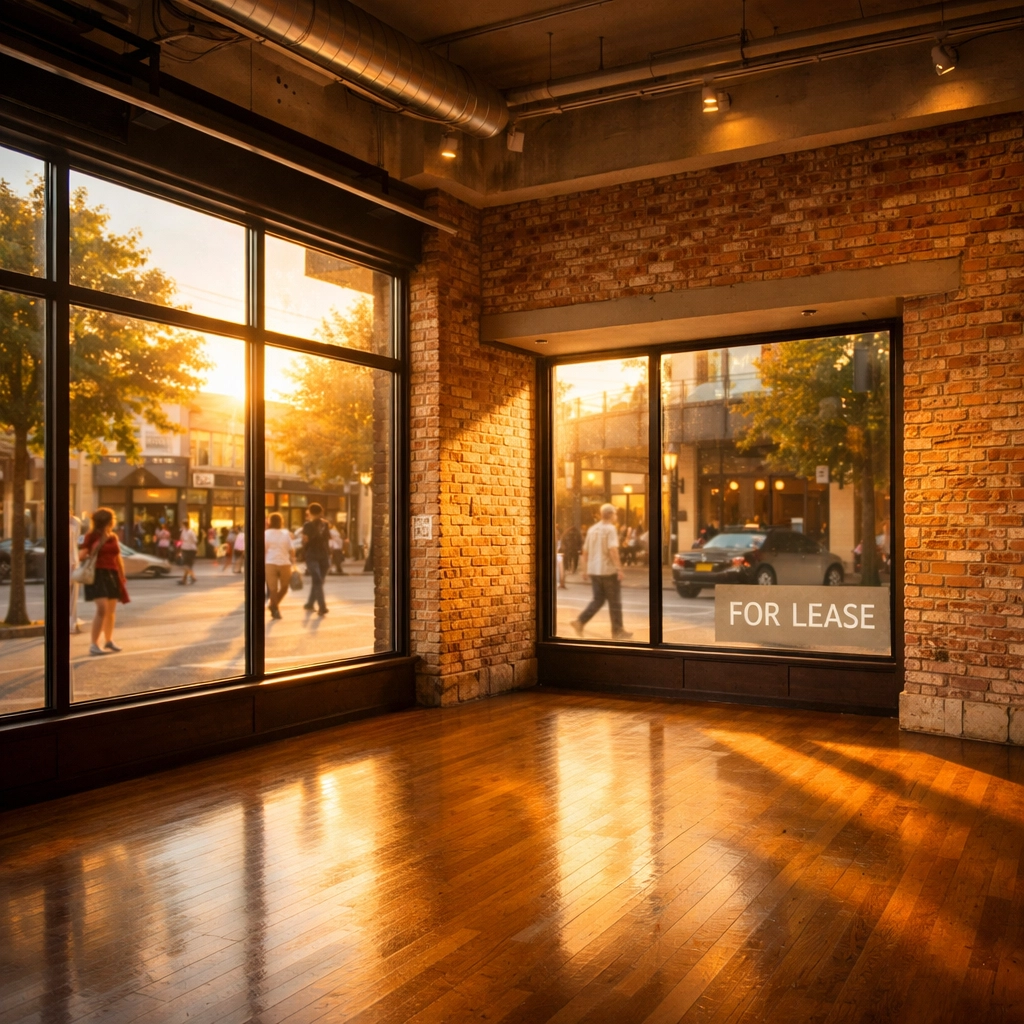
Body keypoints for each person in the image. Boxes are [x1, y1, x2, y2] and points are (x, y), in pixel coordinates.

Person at [569, 503, 631, 640]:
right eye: (615, 513)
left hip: (594, 570)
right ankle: (617, 631)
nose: (616, 516)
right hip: (608, 570)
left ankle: (580, 621)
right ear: (610, 515)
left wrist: (584, 570)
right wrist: (619, 568)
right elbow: (613, 550)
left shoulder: (592, 529)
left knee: (598, 600)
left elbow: (585, 551)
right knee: (615, 602)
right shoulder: (610, 529)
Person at [78, 507, 129, 656]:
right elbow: (81, 556)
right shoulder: (91, 536)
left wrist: (121, 575)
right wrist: (93, 549)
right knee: (102, 609)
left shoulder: (113, 537)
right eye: (112, 520)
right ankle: (94, 644)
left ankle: (108, 640)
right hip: (97, 574)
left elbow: (117, 558)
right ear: (108, 521)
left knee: (111, 611)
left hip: (111, 574)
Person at [301, 502, 331, 615]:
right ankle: (318, 605)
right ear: (321, 511)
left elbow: (305, 540)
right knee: (319, 581)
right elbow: (327, 540)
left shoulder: (307, 525)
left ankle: (315, 605)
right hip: (324, 555)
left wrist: (303, 552)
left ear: (309, 512)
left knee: (317, 581)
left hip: (312, 555)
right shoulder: (325, 524)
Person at [264, 512, 295, 619]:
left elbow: (264, 549)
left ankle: (273, 605)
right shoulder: (286, 533)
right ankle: (275, 609)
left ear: (270, 522)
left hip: (270, 563)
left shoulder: (266, 534)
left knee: (272, 589)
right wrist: (294, 563)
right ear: (281, 521)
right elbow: (292, 550)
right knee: (284, 588)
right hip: (285, 563)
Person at [69, 512, 82, 634]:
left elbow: (74, 544)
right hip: (72, 562)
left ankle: (72, 621)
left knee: (73, 593)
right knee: (72, 593)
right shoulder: (73, 525)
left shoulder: (74, 523)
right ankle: (71, 622)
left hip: (72, 562)